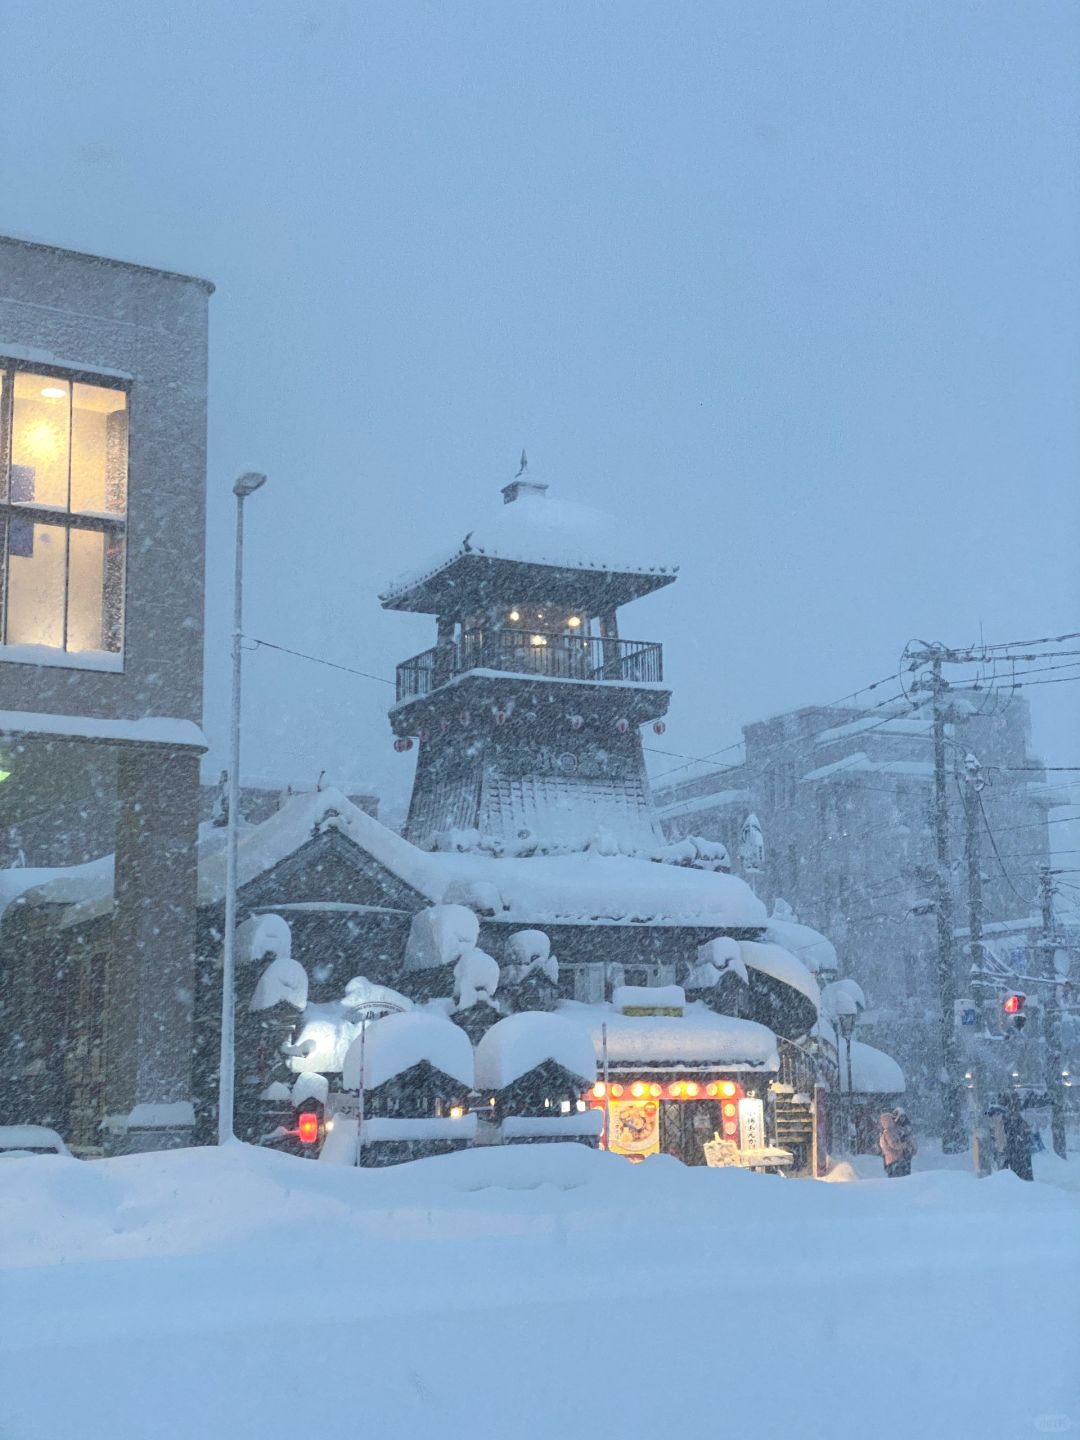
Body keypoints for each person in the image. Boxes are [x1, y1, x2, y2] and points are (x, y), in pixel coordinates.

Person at [1001, 1092, 1034, 1181]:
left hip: (1019, 1156)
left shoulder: (1017, 1122)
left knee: (1020, 1178)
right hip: (1017, 1156)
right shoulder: (1010, 1122)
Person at [879, 1107, 916, 1178]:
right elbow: (894, 1144)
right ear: (888, 1121)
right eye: (891, 1119)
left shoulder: (889, 1132)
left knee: (899, 1178)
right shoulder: (888, 1133)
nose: (894, 1121)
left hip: (894, 1160)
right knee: (899, 1179)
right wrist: (905, 1145)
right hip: (894, 1160)